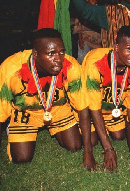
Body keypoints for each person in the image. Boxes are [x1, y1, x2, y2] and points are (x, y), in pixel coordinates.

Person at [0, 28, 97, 171]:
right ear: (35, 54)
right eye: (51, 53)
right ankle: (13, 129)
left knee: (76, 146)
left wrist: (88, 153)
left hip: (57, 109)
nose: (58, 58)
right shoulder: (11, 68)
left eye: (61, 52)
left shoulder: (70, 65)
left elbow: (82, 107)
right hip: (26, 113)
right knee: (22, 158)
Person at [81, 25, 130, 171]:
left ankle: (105, 128)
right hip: (92, 109)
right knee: (90, 141)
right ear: (117, 47)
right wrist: (108, 149)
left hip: (111, 109)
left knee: (119, 136)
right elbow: (94, 108)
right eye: (129, 49)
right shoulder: (96, 63)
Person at [72, 0, 104, 64]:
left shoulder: (100, 11)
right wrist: (80, 40)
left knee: (96, 61)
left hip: (98, 41)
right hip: (85, 39)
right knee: (82, 59)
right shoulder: (83, 11)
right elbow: (78, 27)